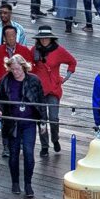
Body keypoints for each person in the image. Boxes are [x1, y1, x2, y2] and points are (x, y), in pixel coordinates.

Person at [0, 53, 45, 199]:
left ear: (24, 67)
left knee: (29, 153)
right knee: (14, 154)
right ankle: (15, 182)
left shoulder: (34, 80)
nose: (15, 72)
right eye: (12, 69)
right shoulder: (5, 80)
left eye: (18, 69)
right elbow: (0, 99)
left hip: (29, 123)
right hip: (12, 122)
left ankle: (28, 184)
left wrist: (43, 121)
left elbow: (41, 101)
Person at [28, 30, 75, 158]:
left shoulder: (59, 50)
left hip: (53, 89)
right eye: (41, 38)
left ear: (51, 38)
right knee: (42, 120)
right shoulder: (34, 50)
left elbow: (72, 61)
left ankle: (55, 139)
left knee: (53, 118)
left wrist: (67, 76)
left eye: (46, 38)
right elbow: (28, 65)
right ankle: (44, 146)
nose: (43, 40)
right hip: (39, 91)